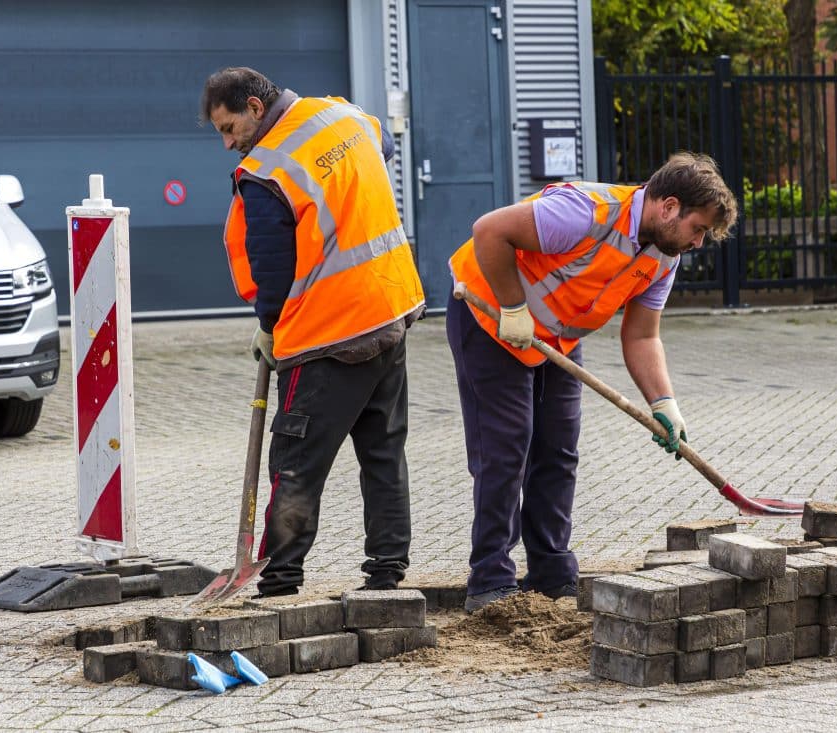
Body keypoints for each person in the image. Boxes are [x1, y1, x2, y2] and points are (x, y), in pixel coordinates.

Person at [446, 152, 738, 613]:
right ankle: (490, 582)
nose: (698, 242)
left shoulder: (664, 256)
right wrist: (512, 308)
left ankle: (551, 573)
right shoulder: (586, 212)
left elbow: (642, 335)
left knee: (558, 450)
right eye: (697, 228)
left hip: (556, 338)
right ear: (669, 207)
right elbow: (489, 230)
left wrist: (664, 403)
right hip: (489, 316)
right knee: (506, 448)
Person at [200, 67, 426, 597]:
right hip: (390, 310)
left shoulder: (266, 172)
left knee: (295, 462)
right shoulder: (344, 115)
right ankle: (387, 572)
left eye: (230, 128)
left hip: (328, 332)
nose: (229, 143)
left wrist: (270, 329)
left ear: (256, 108)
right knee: (383, 450)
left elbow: (273, 267)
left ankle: (278, 579)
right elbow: (383, 148)